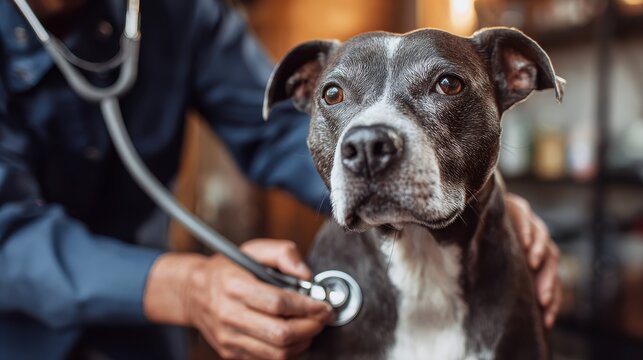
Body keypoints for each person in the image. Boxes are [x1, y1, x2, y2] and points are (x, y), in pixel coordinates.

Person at [0, 0, 562, 359]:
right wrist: (187, 288)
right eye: (339, 93)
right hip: (27, 329)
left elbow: (277, 134)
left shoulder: (182, 13)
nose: (364, 144)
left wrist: (462, 191)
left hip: (142, 343)